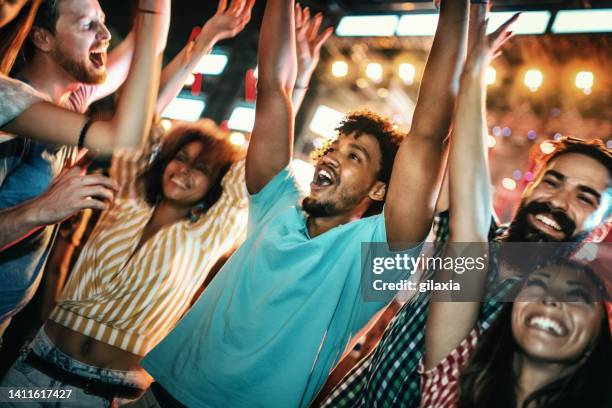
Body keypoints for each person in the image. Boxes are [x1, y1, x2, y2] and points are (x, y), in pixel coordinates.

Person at [137, 0, 470, 406]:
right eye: (334, 147)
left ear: (379, 189)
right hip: (158, 396)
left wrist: (457, 11)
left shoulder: (375, 257)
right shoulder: (277, 204)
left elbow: (428, 134)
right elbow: (274, 86)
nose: (331, 156)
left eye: (355, 156)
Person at [320, 6, 612, 408]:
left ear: (599, 229)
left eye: (585, 197)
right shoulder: (476, 239)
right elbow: (444, 153)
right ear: (531, 187)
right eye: (553, 181)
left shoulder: (558, 309)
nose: (559, 201)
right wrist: (471, 57)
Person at [0, 0, 169, 341]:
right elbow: (123, 136)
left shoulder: (65, 102)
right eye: (88, 24)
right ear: (42, 38)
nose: (105, 34)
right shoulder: (10, 102)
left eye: (103, 21)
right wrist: (40, 209)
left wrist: (201, 42)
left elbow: (148, 43)